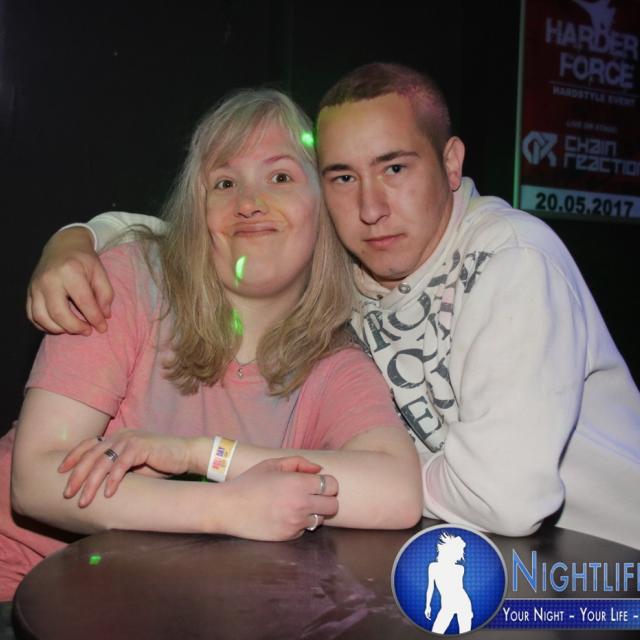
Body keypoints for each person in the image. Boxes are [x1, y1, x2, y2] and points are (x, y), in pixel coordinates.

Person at [26, 63, 640, 550]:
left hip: (600, 562)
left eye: (394, 168)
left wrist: (217, 464)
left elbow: (500, 500)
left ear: (451, 162)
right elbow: (206, 235)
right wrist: (78, 236)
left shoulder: (512, 262)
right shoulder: (356, 268)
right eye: (344, 177)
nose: (371, 208)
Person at [0, 88, 424, 600]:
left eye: (281, 177)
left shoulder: (333, 362)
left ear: (324, 209)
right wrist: (229, 508)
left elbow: (397, 492)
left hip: (145, 605)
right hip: (18, 586)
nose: (249, 203)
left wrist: (203, 456)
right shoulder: (127, 282)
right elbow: (35, 480)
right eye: (225, 182)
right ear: (199, 213)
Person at [425, 533, 472, 634]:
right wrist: (428, 605)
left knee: (465, 634)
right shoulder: (433, 567)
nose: (461, 555)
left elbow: (459, 589)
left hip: (462, 603)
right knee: (436, 631)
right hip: (447, 605)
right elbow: (430, 588)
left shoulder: (460, 569)